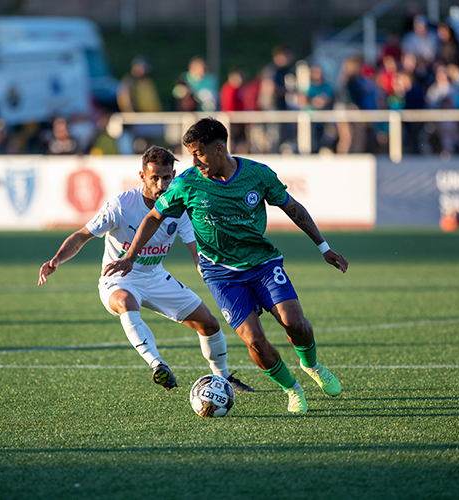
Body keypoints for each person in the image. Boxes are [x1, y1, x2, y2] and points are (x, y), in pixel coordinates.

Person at [103, 118, 348, 413]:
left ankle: (312, 365)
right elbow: (154, 217)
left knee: (295, 323)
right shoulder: (186, 184)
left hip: (263, 264)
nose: (194, 161)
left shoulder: (257, 175)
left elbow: (293, 208)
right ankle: (291, 389)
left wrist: (324, 247)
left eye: (198, 153)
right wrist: (130, 256)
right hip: (221, 275)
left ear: (219, 149)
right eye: (191, 154)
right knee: (255, 340)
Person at [38, 145, 253, 394]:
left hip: (156, 277)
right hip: (118, 279)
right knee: (127, 301)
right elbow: (82, 235)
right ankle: (158, 365)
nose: (161, 184)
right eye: (155, 178)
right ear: (142, 176)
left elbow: (196, 253)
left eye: (167, 178)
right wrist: (56, 260)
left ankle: (225, 378)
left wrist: (215, 280)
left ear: (173, 175)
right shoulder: (121, 205)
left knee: (210, 325)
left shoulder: (178, 207)